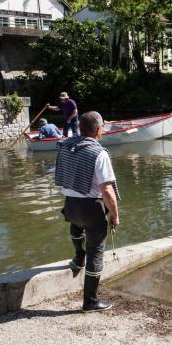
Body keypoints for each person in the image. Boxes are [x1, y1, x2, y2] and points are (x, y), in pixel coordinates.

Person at [54, 111, 120, 312]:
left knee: (76, 227)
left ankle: (78, 257)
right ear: (99, 130)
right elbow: (107, 190)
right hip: (92, 209)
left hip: (70, 205)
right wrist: (115, 215)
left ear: (79, 128)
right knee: (96, 252)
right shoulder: (98, 153)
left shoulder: (65, 146)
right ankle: (90, 301)